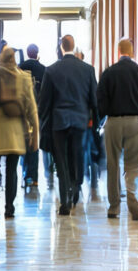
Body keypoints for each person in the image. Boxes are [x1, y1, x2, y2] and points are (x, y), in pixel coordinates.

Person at [0, 45, 40, 219]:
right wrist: (35, 135)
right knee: (12, 170)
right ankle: (9, 207)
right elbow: (32, 109)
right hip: (15, 133)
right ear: (14, 59)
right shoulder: (24, 78)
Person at [98, 38, 138, 221]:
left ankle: (114, 206)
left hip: (114, 122)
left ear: (118, 51)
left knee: (113, 163)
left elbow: (100, 101)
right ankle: (131, 192)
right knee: (133, 165)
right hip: (136, 122)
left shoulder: (108, 73)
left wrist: (107, 115)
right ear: (132, 52)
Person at [38, 34, 98, 216]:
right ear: (74, 46)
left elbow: (44, 102)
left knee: (61, 160)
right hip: (79, 121)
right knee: (76, 156)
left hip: (59, 121)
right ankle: (74, 190)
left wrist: (42, 122)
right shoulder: (87, 69)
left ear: (61, 48)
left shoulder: (52, 70)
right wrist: (95, 122)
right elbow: (93, 99)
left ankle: (64, 199)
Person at [20, 44, 46, 193]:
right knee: (34, 144)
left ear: (27, 53)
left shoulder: (20, 67)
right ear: (37, 54)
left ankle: (25, 174)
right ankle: (34, 178)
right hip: (38, 112)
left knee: (23, 143)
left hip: (22, 112)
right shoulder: (43, 69)